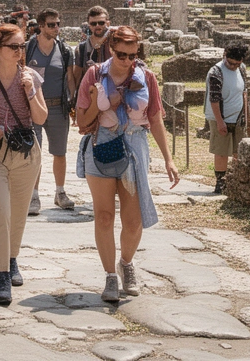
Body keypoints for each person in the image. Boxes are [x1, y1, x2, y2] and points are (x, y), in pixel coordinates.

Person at [75, 25, 179, 302]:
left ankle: (126, 263)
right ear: (111, 48)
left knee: (133, 222)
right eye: (121, 54)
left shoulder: (146, 76)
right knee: (104, 215)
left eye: (133, 54)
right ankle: (110, 275)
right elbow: (82, 121)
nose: (127, 60)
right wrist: (102, 102)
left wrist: (168, 159)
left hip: (134, 145)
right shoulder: (95, 74)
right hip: (103, 144)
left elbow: (155, 118)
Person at [0, 22, 47, 304]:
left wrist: (30, 91)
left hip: (26, 154)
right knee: (1, 212)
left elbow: (40, 118)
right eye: (13, 47)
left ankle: (13, 257)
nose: (19, 52)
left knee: (18, 213)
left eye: (22, 47)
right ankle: (2, 274)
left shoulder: (30, 77)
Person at [25, 8, 76, 213]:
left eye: (58, 23)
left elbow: (70, 78)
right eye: (51, 24)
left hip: (57, 107)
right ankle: (33, 195)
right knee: (34, 152)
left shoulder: (64, 50)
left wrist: (73, 104)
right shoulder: (29, 48)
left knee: (60, 152)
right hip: (33, 107)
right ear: (41, 26)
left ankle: (60, 192)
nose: (56, 28)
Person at [206, 41, 248, 195]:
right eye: (231, 63)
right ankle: (220, 182)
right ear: (225, 56)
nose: (233, 66)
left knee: (238, 150)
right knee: (222, 151)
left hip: (238, 117)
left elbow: (244, 92)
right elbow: (214, 99)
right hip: (220, 116)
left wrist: (246, 116)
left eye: (237, 64)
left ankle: (235, 179)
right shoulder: (216, 72)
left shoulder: (242, 69)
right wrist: (219, 121)